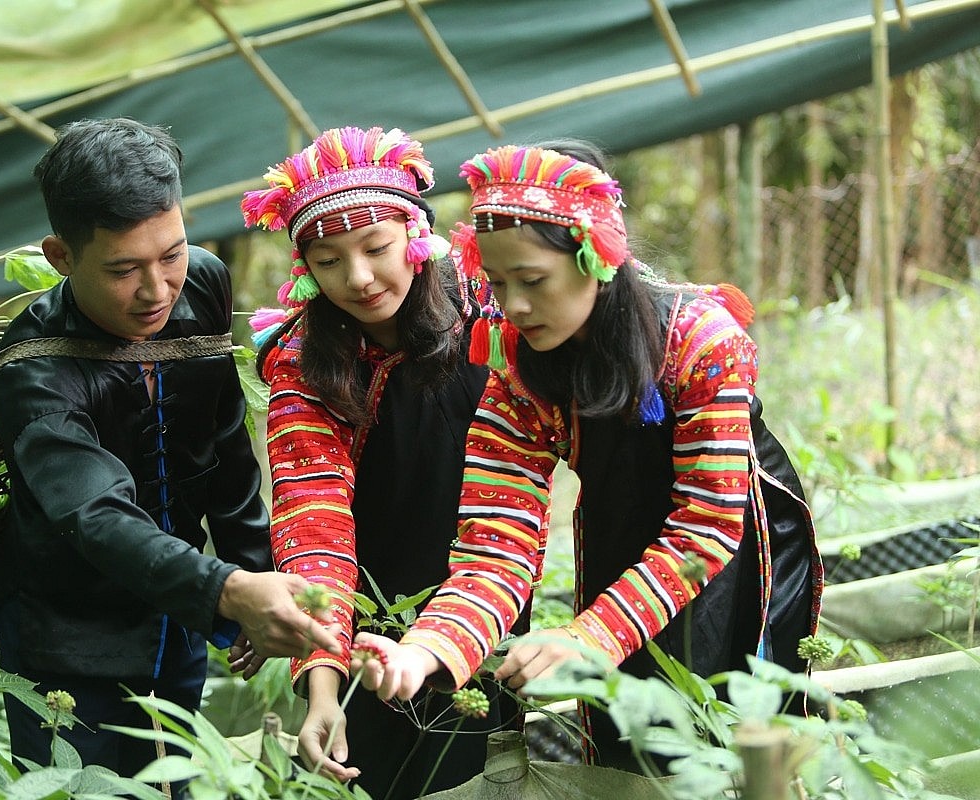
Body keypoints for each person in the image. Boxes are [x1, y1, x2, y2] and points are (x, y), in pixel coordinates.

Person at [352, 139, 823, 769]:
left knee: (729, 723)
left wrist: (592, 633)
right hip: (617, 534)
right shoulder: (515, 370)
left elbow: (706, 526)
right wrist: (428, 647)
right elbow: (498, 535)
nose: (512, 306)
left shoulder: (701, 341)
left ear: (595, 258)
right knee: (624, 731)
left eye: (533, 280)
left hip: (737, 542)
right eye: (496, 282)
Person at [0, 117, 339, 777]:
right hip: (67, 644)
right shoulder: (30, 373)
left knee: (169, 782)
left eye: (170, 253)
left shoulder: (203, 283)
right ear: (61, 257)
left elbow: (225, 439)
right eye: (123, 269)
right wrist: (230, 590)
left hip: (179, 620)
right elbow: (97, 516)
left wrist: (251, 569)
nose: (157, 290)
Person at [241, 125, 520, 799]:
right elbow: (314, 527)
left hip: (492, 578)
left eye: (376, 248)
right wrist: (322, 682)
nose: (358, 278)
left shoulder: (492, 310)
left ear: (416, 235)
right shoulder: (301, 364)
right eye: (328, 260)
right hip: (364, 628)